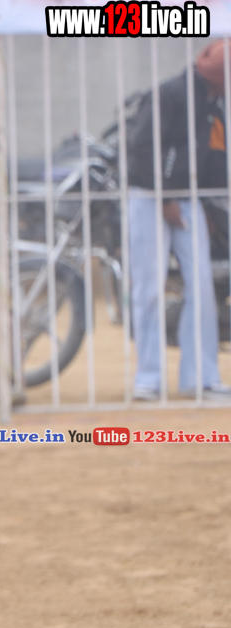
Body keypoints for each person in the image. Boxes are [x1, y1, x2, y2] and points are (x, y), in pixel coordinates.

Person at [125, 38, 230, 401]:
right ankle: (148, 379)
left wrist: (209, 208)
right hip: (149, 197)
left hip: (189, 199)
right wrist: (165, 197)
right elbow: (141, 147)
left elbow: (213, 160)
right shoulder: (169, 94)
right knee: (149, 289)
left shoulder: (213, 103)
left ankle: (201, 377)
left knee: (201, 287)